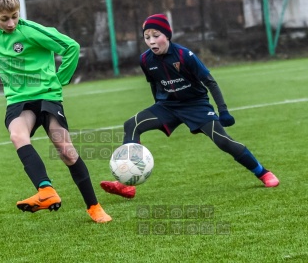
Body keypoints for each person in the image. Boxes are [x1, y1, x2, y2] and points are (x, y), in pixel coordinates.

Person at [100, 14, 280, 199]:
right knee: (132, 124)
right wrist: (158, 104)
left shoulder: (185, 55)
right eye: (147, 37)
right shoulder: (145, 60)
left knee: (223, 141)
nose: (151, 41)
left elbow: (210, 82)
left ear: (167, 36)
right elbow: (154, 83)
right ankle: (126, 184)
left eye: (156, 35)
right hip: (168, 106)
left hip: (196, 106)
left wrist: (223, 110)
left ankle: (263, 173)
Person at [0, 0, 111, 223]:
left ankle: (94, 207)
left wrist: (60, 81)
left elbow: (71, 47)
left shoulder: (32, 31)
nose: (11, 23)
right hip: (19, 99)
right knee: (18, 136)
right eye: (5, 19)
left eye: (15, 17)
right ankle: (46, 191)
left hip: (47, 96)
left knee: (66, 151)